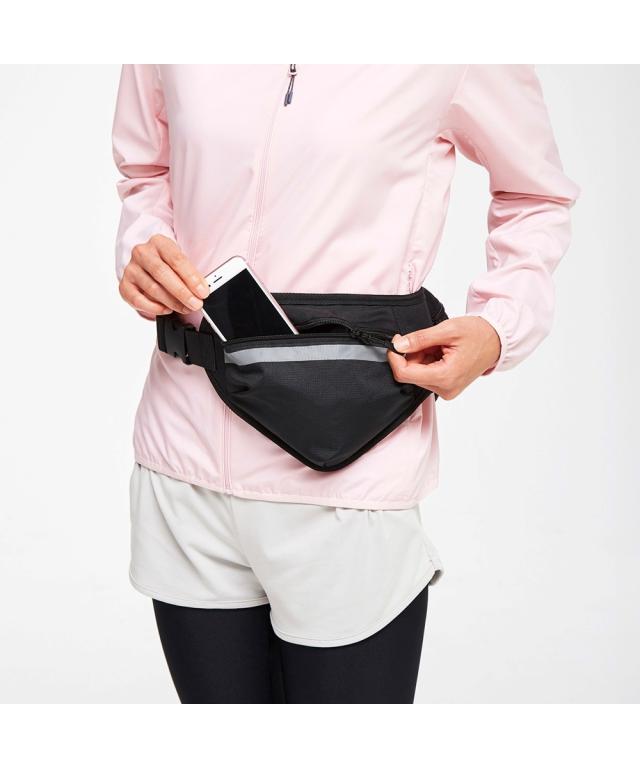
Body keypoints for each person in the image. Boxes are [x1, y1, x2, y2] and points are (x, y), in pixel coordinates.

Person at [112, 65, 578, 704]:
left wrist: (501, 326)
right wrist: (143, 245)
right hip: (182, 460)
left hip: (351, 472)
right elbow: (146, 170)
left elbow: (535, 195)